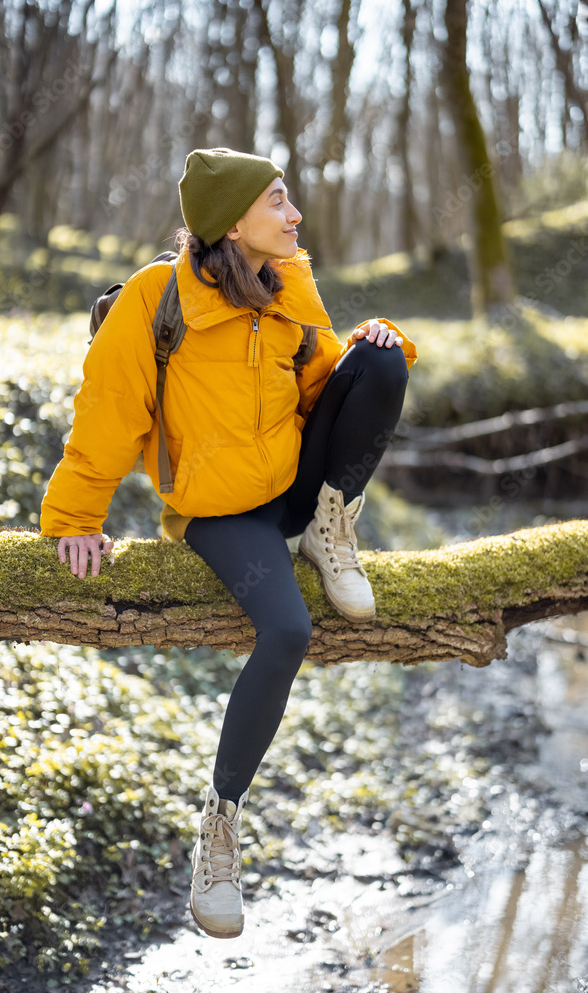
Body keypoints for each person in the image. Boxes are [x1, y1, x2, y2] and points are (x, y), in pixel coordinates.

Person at [40, 146, 417, 941]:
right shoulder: (156, 297)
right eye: (278, 201)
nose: (294, 215)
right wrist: (75, 520)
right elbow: (109, 409)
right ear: (233, 218)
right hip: (219, 514)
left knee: (381, 357)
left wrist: (369, 346)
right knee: (287, 630)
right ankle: (220, 824)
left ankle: (328, 527)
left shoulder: (288, 281)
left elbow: (318, 389)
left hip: (290, 484)